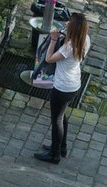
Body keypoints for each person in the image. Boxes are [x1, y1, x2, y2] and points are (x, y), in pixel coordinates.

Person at [35, 12, 89, 164]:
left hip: (62, 87)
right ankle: (61, 147)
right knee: (62, 116)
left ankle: (54, 155)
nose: (66, 23)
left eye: (69, 22)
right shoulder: (85, 40)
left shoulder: (69, 47)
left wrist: (53, 40)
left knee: (57, 119)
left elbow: (49, 59)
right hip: (74, 84)